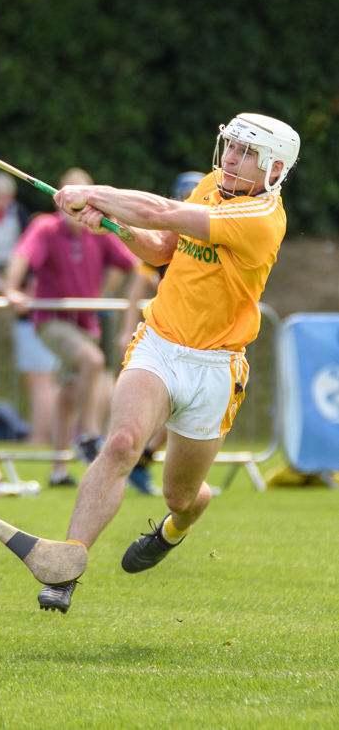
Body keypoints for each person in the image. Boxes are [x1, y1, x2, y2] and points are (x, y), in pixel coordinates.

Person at [37, 113, 299, 615]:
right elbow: (159, 247)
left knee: (181, 495)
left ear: (275, 167)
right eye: (230, 147)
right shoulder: (212, 186)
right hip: (159, 342)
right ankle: (66, 566)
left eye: (246, 153)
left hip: (215, 368)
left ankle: (176, 526)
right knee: (121, 444)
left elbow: (160, 212)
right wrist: (112, 225)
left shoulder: (263, 217)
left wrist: (94, 193)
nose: (230, 159)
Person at [4, 168, 136, 488]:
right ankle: (89, 434)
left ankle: (58, 471)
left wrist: (108, 288)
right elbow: (21, 256)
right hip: (52, 322)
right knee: (91, 360)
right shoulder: (46, 227)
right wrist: (11, 288)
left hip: (87, 323)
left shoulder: (99, 231)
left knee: (65, 395)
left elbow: (135, 263)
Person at [114, 171, 206, 496]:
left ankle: (145, 462)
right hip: (161, 336)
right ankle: (128, 457)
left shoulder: (212, 236)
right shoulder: (168, 238)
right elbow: (135, 289)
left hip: (200, 342)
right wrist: (126, 330)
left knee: (183, 412)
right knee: (146, 410)